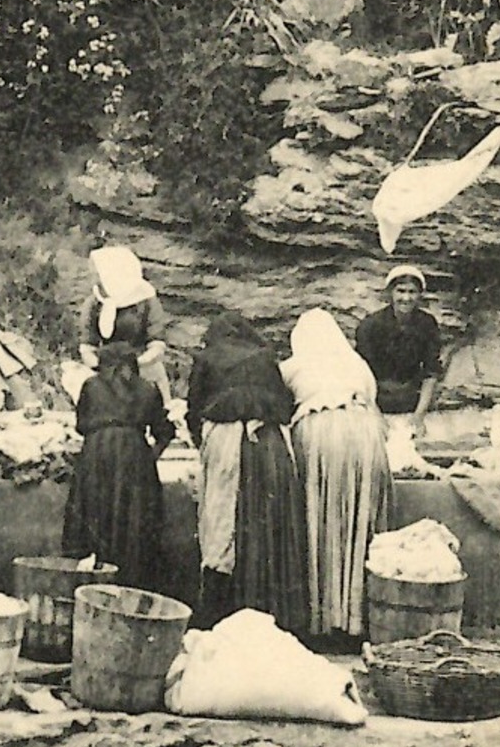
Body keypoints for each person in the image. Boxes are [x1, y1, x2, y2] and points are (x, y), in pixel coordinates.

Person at [186, 311, 307, 634]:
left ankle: (220, 615)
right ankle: (269, 613)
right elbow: (285, 403)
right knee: (267, 528)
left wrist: (205, 447)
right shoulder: (267, 358)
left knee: (222, 524)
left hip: (227, 441)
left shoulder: (207, 357)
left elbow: (193, 411)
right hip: (271, 447)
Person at [281, 309, 393, 644]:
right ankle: (357, 620)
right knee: (358, 524)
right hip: (365, 435)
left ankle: (321, 620)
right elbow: (374, 404)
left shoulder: (292, 367)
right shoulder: (358, 364)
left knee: (320, 522)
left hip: (320, 436)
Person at [62, 342, 173, 591]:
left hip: (97, 453)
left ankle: (93, 582)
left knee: (94, 515)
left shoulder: (91, 386)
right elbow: (165, 431)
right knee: (133, 522)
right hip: (135, 457)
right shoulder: (148, 388)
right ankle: (129, 584)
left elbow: (81, 425)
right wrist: (148, 457)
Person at [79, 245, 173, 403]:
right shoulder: (94, 303)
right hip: (106, 371)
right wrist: (102, 366)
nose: (94, 276)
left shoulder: (146, 300)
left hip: (144, 367)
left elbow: (157, 345)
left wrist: (135, 364)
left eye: (98, 272)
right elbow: (87, 347)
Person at [355, 264, 443, 431]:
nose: (406, 298)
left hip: (411, 402)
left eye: (412, 292)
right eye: (401, 291)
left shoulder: (427, 324)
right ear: (390, 293)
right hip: (376, 402)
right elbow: (362, 375)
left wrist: (419, 416)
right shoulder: (370, 325)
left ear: (419, 295)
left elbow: (431, 372)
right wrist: (376, 416)